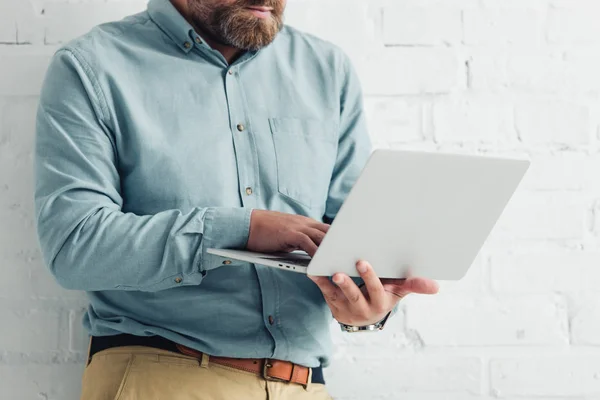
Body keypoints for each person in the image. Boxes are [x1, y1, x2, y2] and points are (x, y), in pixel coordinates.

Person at [34, 0, 439, 398]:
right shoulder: (92, 67)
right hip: (161, 377)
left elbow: (349, 239)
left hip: (305, 385)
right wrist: (242, 230)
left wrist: (366, 303)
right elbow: (74, 246)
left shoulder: (327, 70)